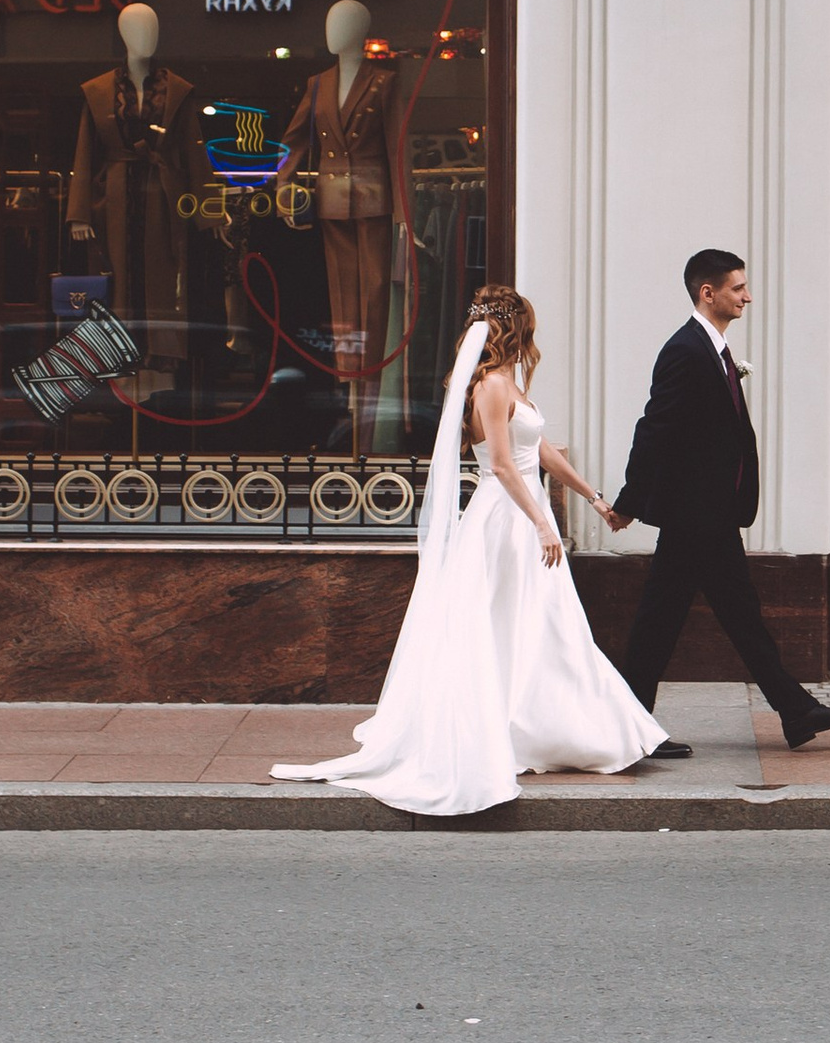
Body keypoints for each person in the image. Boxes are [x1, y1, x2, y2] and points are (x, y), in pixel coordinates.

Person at [270, 284, 665, 821]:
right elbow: (501, 464)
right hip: (505, 519)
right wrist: (541, 523)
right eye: (528, 327)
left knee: (539, 620)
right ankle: (513, 727)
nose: (533, 337)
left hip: (523, 514)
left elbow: (539, 451)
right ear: (514, 328)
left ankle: (545, 724)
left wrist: (593, 498)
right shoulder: (491, 386)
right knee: (508, 619)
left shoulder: (509, 381)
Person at [611, 249, 830, 752]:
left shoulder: (714, 349)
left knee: (720, 616)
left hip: (710, 515)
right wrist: (629, 502)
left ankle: (794, 712)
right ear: (709, 293)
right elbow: (654, 429)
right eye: (738, 288)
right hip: (694, 517)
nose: (747, 297)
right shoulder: (685, 350)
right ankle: (627, 729)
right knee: (666, 623)